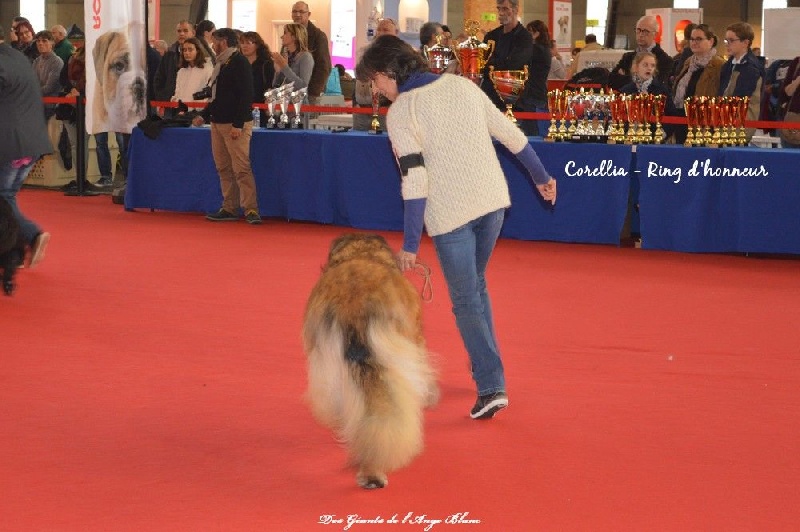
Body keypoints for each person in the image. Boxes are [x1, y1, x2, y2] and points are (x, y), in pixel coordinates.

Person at [356, 35, 557, 419]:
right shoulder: (463, 85)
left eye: (374, 81)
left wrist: (410, 245)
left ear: (387, 72)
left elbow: (415, 182)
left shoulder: (400, 113)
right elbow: (511, 135)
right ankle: (485, 363)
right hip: (493, 204)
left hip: (451, 216)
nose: (375, 89)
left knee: (466, 298)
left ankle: (491, 386)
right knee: (475, 287)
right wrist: (542, 177)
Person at [191, 28, 259, 224]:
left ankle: (251, 209)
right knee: (223, 168)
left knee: (241, 169)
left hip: (234, 124)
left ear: (224, 41)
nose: (212, 44)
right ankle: (229, 207)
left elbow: (246, 95)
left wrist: (238, 124)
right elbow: (217, 97)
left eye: (215, 41)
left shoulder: (239, 62)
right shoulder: (221, 63)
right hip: (217, 122)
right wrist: (204, 115)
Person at [0, 24, 52, 267]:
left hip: (11, 143)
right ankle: (16, 251)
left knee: (2, 198)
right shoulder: (17, 57)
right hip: (31, 142)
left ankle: (32, 235)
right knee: (6, 196)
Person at [666, 24, 724, 144]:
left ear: (711, 41)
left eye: (699, 39)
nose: (694, 42)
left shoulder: (719, 65)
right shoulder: (689, 62)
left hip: (703, 125)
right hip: (681, 121)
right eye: (692, 39)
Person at [480, 0, 534, 124]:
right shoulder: (491, 36)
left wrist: (492, 65)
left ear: (515, 10)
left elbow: (514, 65)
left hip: (514, 98)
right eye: (499, 9)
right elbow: (482, 63)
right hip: (490, 96)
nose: (500, 13)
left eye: (505, 9)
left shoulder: (525, 37)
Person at [719, 22, 765, 141]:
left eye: (731, 40)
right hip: (725, 121)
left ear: (745, 42)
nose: (727, 44)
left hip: (740, 124)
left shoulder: (751, 68)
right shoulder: (728, 65)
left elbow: (740, 99)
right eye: (726, 41)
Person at [353, 17, 397, 131]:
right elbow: (358, 77)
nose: (381, 33)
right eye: (379, 29)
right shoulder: (366, 52)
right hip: (361, 111)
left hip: (385, 111)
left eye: (385, 30)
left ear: (396, 33)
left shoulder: (399, 55)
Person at [609, 15, 673, 91]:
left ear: (655, 35)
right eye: (638, 30)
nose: (641, 35)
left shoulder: (664, 60)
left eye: (645, 31)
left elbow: (657, 86)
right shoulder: (627, 57)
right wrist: (642, 78)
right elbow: (611, 81)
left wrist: (625, 77)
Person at [290, 2, 331, 103]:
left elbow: (324, 67)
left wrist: (313, 92)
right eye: (295, 11)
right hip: (291, 91)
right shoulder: (290, 35)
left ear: (308, 14)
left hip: (310, 93)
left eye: (301, 12)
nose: (297, 15)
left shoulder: (318, 36)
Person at [153, 20, 195, 106]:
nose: (182, 34)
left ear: (193, 33)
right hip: (169, 104)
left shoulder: (200, 55)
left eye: (185, 31)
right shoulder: (169, 55)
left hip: (191, 105)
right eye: (179, 31)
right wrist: (163, 98)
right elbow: (159, 78)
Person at [521, 20, 552, 136]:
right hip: (537, 92)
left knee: (532, 131)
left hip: (533, 94)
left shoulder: (536, 49)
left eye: (529, 31)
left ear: (537, 33)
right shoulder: (544, 49)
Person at [239, 31, 275, 124]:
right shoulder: (237, 64)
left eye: (248, 43)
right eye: (242, 43)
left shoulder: (266, 64)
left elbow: (271, 85)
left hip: (260, 109)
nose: (244, 46)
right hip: (240, 108)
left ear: (257, 45)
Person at [31, 31, 64, 121]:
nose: (40, 43)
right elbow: (32, 83)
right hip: (37, 104)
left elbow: (50, 87)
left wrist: (32, 92)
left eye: (44, 41)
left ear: (52, 43)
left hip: (51, 107)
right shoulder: (36, 61)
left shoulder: (57, 61)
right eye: (38, 41)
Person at [271, 23, 313, 93]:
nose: (282, 37)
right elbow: (276, 85)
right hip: (284, 101)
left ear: (294, 37)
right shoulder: (286, 55)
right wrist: (278, 72)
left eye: (285, 33)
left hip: (298, 102)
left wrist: (284, 67)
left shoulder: (306, 57)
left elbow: (303, 86)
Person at [171, 37, 213, 104]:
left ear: (198, 51)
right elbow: (178, 93)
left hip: (199, 110)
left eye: (190, 50)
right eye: (184, 50)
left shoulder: (207, 70)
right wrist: (175, 100)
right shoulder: (181, 71)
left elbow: (209, 94)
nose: (187, 53)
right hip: (182, 110)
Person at [777, 55, 800, 148]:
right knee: (788, 159)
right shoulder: (797, 62)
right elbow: (787, 92)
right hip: (792, 121)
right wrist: (798, 80)